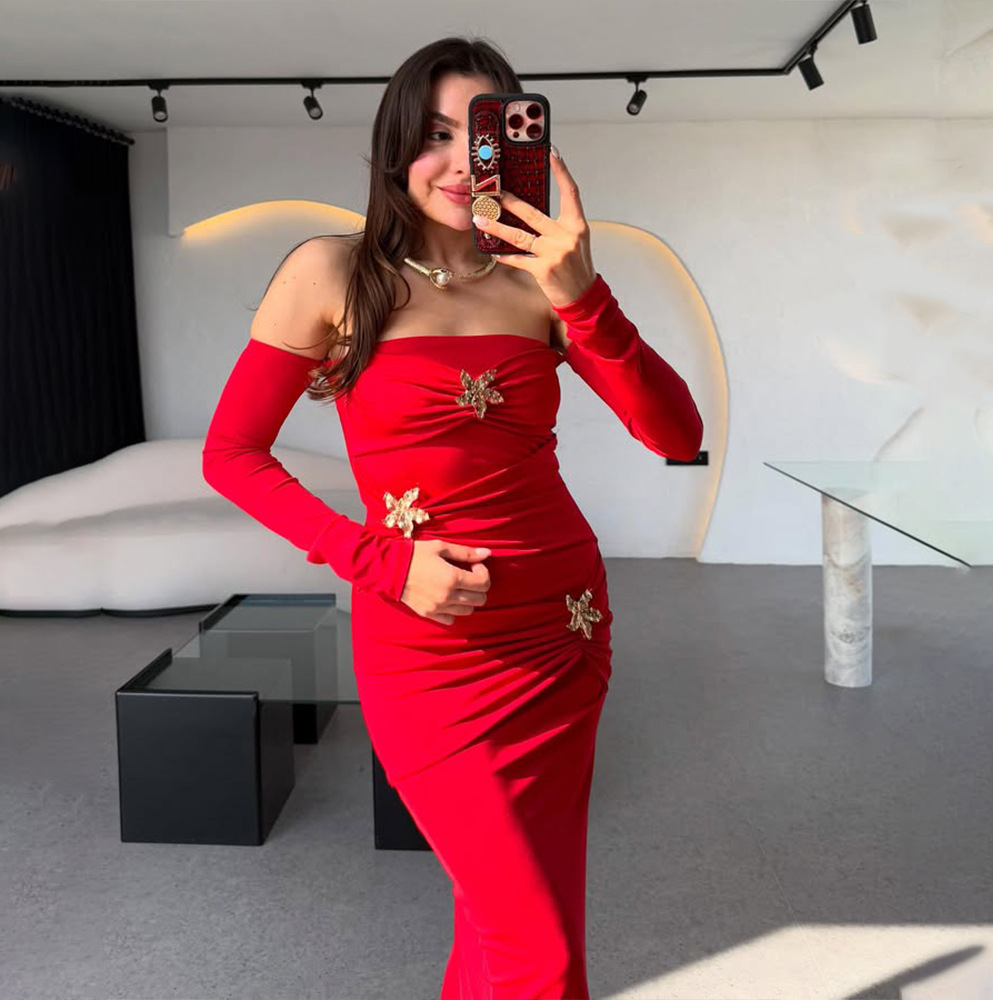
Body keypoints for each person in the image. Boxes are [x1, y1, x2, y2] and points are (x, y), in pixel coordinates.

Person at [202, 35, 703, 1000]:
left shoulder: (540, 284)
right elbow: (231, 455)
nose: (456, 164)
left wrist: (581, 294)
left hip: (565, 634)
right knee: (538, 954)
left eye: (479, 135)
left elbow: (675, 434)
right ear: (395, 146)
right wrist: (384, 564)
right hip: (428, 651)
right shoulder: (331, 272)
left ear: (516, 149)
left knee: (504, 926)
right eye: (433, 134)